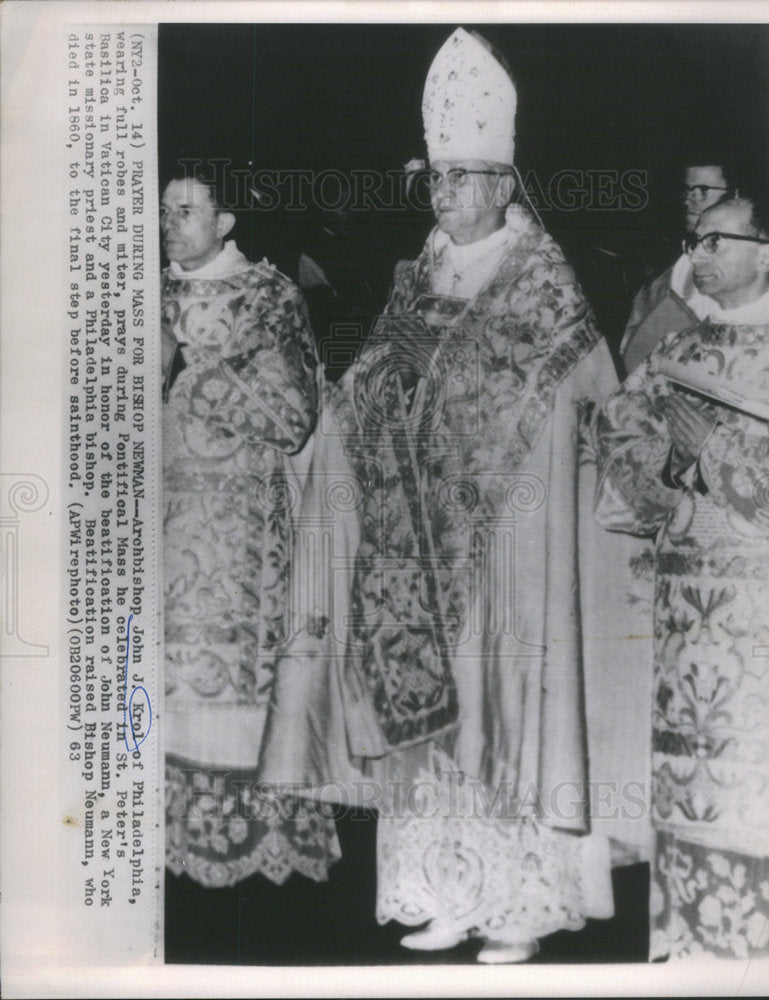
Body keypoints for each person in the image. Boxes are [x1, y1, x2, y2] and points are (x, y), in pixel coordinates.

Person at [260, 28, 652, 963]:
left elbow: (585, 398)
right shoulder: (420, 274)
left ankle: (519, 903)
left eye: (470, 178)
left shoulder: (547, 288)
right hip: (414, 545)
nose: (451, 196)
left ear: (507, 185)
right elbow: (372, 389)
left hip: (513, 546)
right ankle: (445, 887)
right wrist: (329, 417)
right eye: (439, 180)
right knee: (433, 724)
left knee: (508, 711)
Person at [594, 194, 769, 960]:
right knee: (689, 776)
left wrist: (714, 453)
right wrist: (667, 458)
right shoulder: (684, 349)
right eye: (692, 241)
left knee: (757, 779)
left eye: (716, 239)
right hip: (685, 610)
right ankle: (692, 949)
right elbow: (623, 463)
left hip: (766, 618)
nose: (697, 252)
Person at [160, 169, 340, 888]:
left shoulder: (268, 295)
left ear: (227, 220)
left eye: (188, 210)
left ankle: (249, 839)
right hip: (154, 525)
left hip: (237, 531)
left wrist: (194, 376)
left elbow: (295, 412)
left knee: (229, 676)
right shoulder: (138, 290)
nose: (171, 224)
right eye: (164, 211)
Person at [619, 159, 735, 373]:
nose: (690, 199)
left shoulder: (744, 267)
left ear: (734, 195)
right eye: (688, 190)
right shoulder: (680, 263)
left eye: (703, 190)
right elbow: (634, 338)